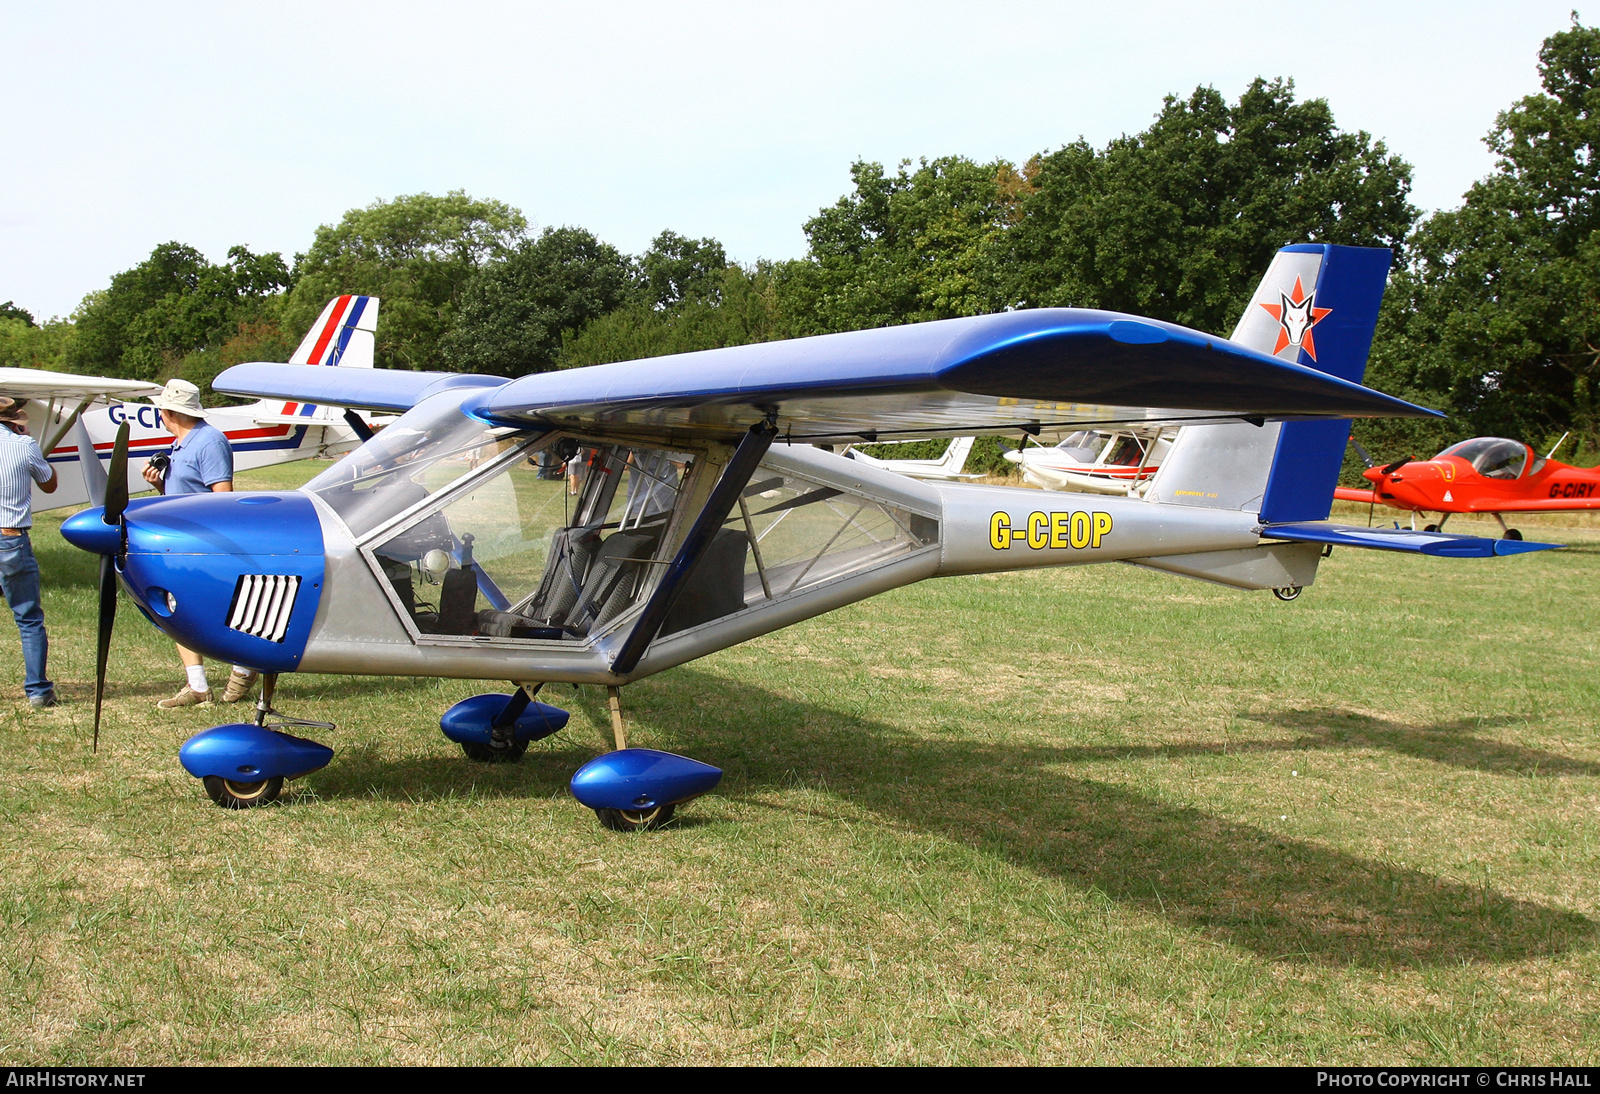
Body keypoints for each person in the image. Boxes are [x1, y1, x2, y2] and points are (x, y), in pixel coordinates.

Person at [142, 379, 258, 709]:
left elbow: (222, 496)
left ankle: (244, 666)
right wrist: (160, 484)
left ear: (168, 412)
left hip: (204, 543)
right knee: (175, 607)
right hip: (181, 542)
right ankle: (197, 687)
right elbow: (182, 497)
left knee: (221, 608)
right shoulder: (179, 445)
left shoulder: (209, 441)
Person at [0, 397, 58, 708]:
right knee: (28, 618)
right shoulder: (24, 445)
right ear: (14, 422)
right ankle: (37, 690)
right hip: (10, 537)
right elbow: (49, 484)